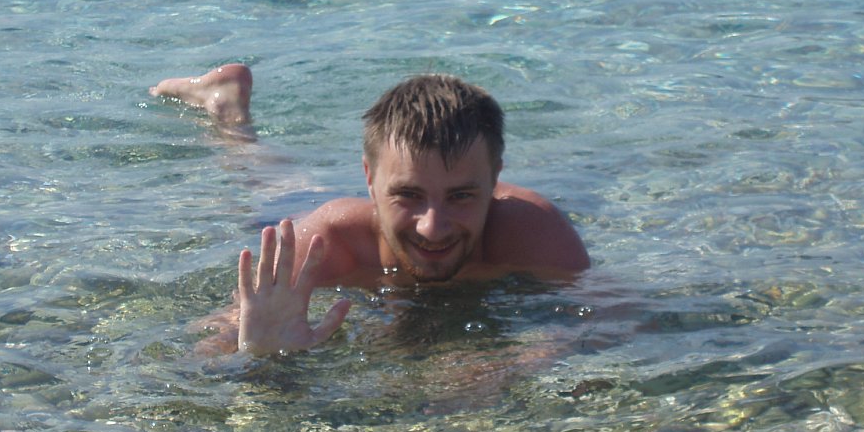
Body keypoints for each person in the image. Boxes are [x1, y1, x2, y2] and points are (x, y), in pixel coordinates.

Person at [149, 64, 590, 356]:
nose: (433, 228)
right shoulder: (324, 244)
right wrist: (259, 352)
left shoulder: (533, 231)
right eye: (409, 195)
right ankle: (227, 112)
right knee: (269, 179)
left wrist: (511, 364)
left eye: (461, 196)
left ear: (494, 180)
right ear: (368, 178)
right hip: (319, 212)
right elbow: (209, 346)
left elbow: (605, 321)